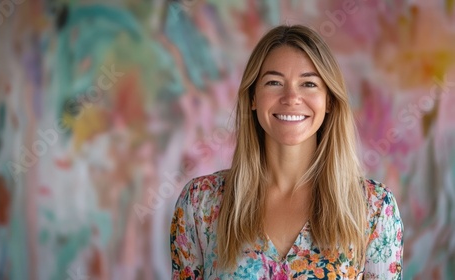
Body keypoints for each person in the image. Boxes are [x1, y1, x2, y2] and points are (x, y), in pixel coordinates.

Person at [170, 24, 403, 279]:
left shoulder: (374, 209)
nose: (291, 97)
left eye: (309, 84)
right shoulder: (200, 203)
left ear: (329, 101)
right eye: (274, 82)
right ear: (253, 98)